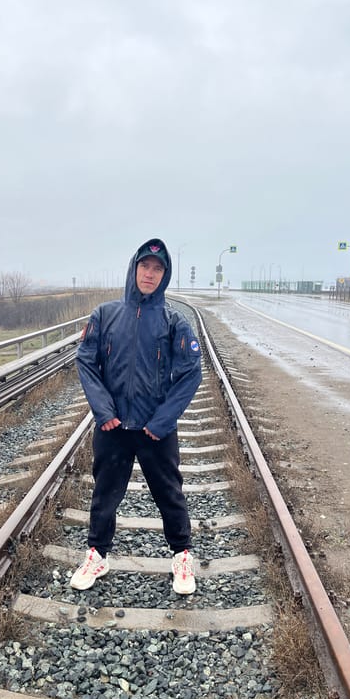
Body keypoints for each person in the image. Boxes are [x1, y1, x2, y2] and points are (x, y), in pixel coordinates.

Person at [71, 238, 202, 595]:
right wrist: (103, 411)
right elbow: (86, 360)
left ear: (165, 275)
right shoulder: (105, 315)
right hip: (113, 427)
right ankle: (97, 555)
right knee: (105, 494)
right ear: (134, 269)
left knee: (169, 493)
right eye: (145, 266)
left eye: (157, 269)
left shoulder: (173, 321)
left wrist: (161, 423)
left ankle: (182, 557)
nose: (150, 274)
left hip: (153, 430)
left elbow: (192, 373)